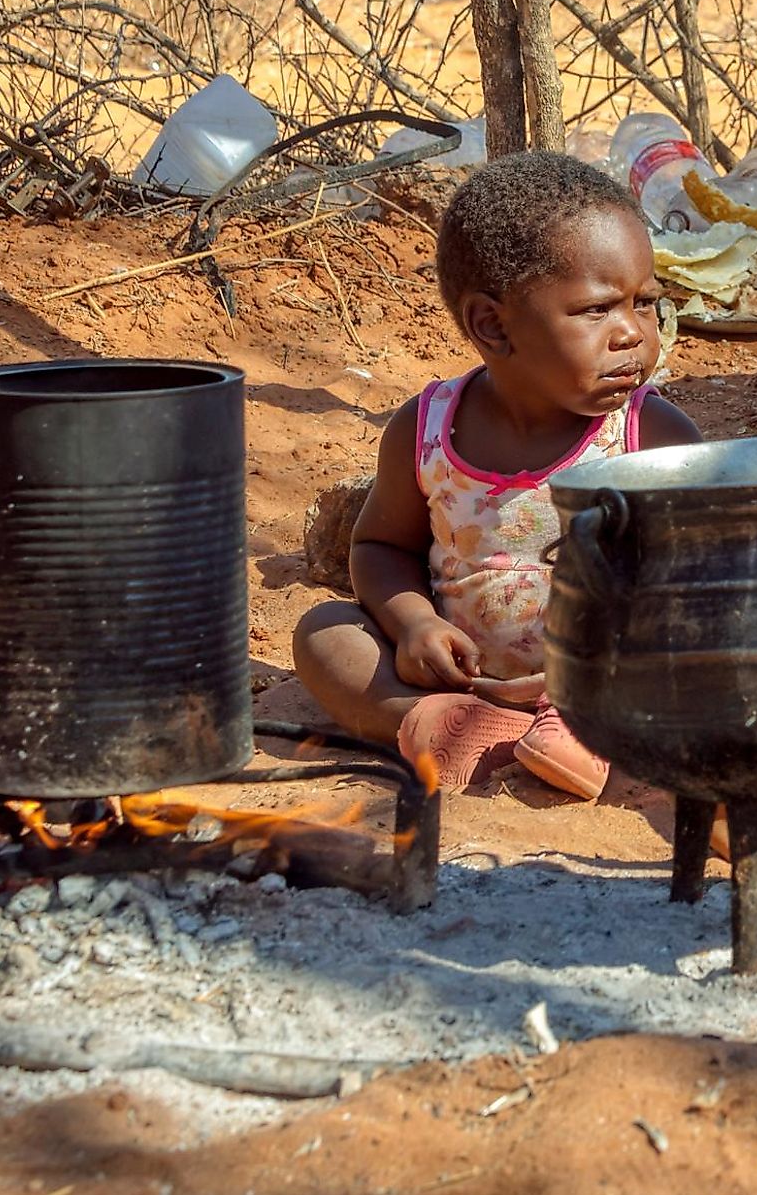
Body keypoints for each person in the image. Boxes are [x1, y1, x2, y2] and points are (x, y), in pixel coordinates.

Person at [293, 152, 701, 793]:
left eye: (645, 303)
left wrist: (598, 666)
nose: (634, 334)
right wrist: (415, 625)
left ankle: (579, 731)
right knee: (325, 636)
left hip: (610, 679)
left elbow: (698, 587)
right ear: (493, 324)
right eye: (597, 310)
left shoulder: (653, 438)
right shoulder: (426, 429)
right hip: (468, 677)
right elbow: (379, 548)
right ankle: (453, 725)